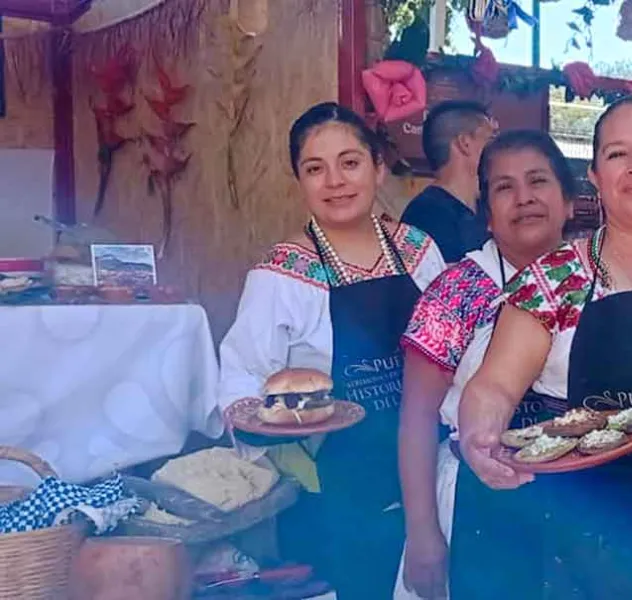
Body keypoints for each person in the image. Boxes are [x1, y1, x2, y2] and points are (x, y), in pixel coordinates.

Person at [457, 94, 632, 598]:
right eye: (617, 154)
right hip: (581, 535)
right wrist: (480, 436)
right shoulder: (554, 278)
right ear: (594, 177)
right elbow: (494, 385)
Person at [218, 102, 447, 599]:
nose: (335, 181)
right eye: (315, 169)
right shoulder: (280, 274)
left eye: (350, 162)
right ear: (299, 180)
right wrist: (270, 420)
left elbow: (458, 350)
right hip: (336, 483)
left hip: (435, 464)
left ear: (377, 167)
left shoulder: (420, 251)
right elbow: (238, 381)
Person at [396, 130, 576, 599]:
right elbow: (416, 417)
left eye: (538, 181)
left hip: (584, 508)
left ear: (569, 201)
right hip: (477, 504)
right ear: (488, 216)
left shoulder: (598, 279)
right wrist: (422, 534)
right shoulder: (457, 290)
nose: (524, 198)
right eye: (504, 187)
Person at [401, 100, 496, 262]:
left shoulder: (488, 208)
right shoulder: (424, 216)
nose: (498, 150)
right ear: (464, 143)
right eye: (491, 140)